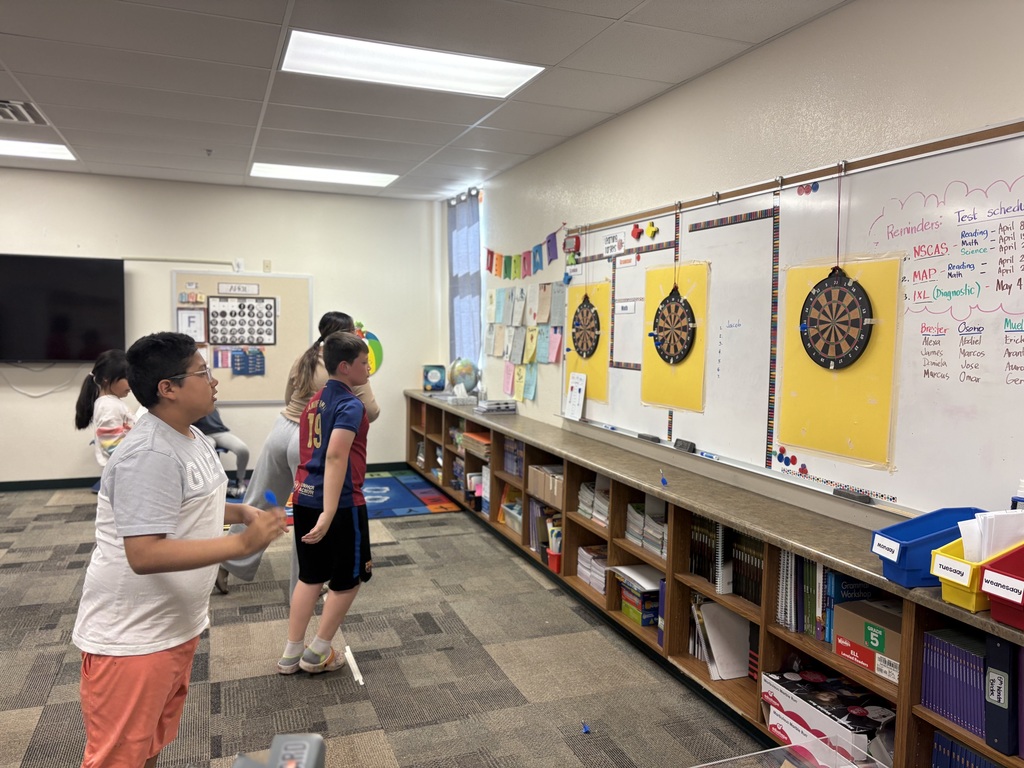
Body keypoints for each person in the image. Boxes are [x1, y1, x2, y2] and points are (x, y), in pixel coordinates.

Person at [72, 332, 287, 768]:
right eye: (202, 372)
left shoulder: (189, 436)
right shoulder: (148, 453)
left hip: (172, 627)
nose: (214, 381)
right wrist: (240, 544)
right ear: (167, 389)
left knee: (148, 747)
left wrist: (239, 512)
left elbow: (188, 500)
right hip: (132, 638)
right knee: (119, 758)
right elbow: (144, 554)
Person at [215, 311, 380, 595]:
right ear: (347, 335)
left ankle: (226, 563)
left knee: (258, 503)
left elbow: (288, 397)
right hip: (308, 443)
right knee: (310, 513)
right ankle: (305, 587)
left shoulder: (305, 357)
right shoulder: (345, 367)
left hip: (281, 431)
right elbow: (372, 412)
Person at [278, 331, 372, 675]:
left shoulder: (313, 402)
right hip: (341, 503)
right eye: (364, 363)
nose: (368, 370)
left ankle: (291, 653)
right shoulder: (351, 404)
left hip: (303, 496)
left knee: (311, 575)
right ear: (345, 367)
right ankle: (317, 651)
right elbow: (335, 457)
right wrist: (331, 511)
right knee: (348, 580)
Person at [74, 349, 136, 468]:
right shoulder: (108, 406)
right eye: (128, 378)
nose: (132, 383)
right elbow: (112, 445)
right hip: (123, 469)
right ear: (107, 378)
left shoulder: (112, 403)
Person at [193, 407, 251, 498]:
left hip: (220, 432)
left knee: (243, 449)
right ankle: (213, 485)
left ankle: (240, 481)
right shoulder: (191, 402)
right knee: (208, 451)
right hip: (202, 434)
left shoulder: (211, 402)